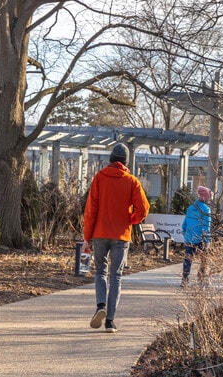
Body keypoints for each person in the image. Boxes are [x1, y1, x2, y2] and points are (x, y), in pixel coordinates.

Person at [83, 143, 150, 333]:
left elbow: (90, 211)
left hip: (100, 233)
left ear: (111, 159)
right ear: (126, 162)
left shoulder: (99, 178)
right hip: (121, 235)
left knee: (100, 272)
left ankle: (100, 306)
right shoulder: (132, 181)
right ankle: (110, 321)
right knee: (116, 276)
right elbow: (143, 209)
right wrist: (132, 219)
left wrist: (87, 236)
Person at [181, 186, 213, 287]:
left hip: (190, 237)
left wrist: (185, 233)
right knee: (204, 259)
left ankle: (184, 279)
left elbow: (184, 223)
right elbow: (206, 226)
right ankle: (201, 279)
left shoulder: (191, 207)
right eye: (209, 197)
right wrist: (207, 240)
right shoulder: (206, 209)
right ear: (206, 198)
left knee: (188, 258)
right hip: (200, 238)